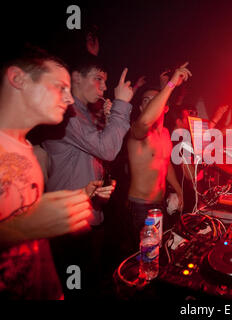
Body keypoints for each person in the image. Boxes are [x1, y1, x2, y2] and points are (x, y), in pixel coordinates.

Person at [0, 45, 94, 299]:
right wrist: (19, 230)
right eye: (60, 87)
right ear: (18, 79)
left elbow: (32, 232)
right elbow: (23, 226)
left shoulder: (30, 151)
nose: (70, 98)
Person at [42, 54, 133, 298]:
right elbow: (107, 149)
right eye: (98, 80)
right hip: (69, 222)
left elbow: (95, 152)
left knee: (92, 283)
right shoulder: (68, 114)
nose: (104, 87)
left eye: (105, 81)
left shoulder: (83, 113)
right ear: (76, 78)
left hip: (89, 214)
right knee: (78, 290)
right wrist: (122, 106)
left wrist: (107, 118)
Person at [127, 63, 191, 249]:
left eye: (155, 101)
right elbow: (146, 119)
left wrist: (179, 190)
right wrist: (170, 84)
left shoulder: (164, 134)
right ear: (140, 107)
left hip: (159, 204)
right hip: (140, 207)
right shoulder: (136, 132)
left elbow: (165, 164)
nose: (150, 104)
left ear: (164, 108)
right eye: (145, 101)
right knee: (144, 259)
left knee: (159, 256)